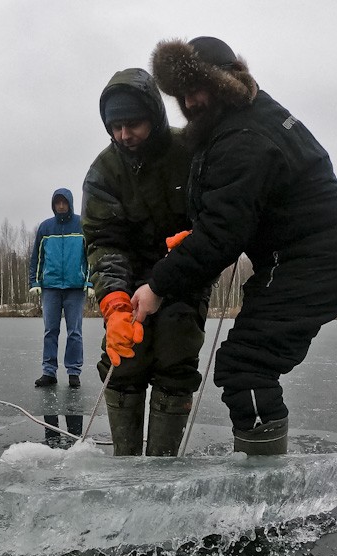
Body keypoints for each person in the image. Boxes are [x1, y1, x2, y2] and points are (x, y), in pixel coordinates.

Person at [132, 36, 337, 455]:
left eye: (198, 87)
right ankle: (264, 474)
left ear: (226, 81)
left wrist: (156, 287)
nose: (190, 100)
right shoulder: (241, 119)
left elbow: (223, 234)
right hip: (298, 260)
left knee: (246, 365)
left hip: (312, 264)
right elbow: (229, 214)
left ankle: (265, 489)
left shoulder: (243, 136)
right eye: (182, 93)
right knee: (245, 362)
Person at [82, 68, 210, 457]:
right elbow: (104, 243)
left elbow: (217, 212)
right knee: (125, 360)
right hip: (129, 276)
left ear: (154, 116)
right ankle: (126, 464)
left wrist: (193, 244)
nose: (124, 135)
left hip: (183, 273)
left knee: (175, 352)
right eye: (115, 126)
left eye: (132, 124)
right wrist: (115, 303)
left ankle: (161, 467)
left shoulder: (189, 152)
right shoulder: (103, 171)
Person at [29, 188, 92, 388]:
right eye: (58, 203)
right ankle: (49, 372)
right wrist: (35, 282)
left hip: (75, 287)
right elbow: (36, 258)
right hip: (51, 288)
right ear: (54, 205)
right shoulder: (46, 228)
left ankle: (74, 372)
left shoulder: (82, 225)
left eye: (64, 202)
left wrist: (89, 282)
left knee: (75, 331)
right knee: (51, 330)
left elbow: (91, 255)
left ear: (70, 204)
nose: (61, 206)